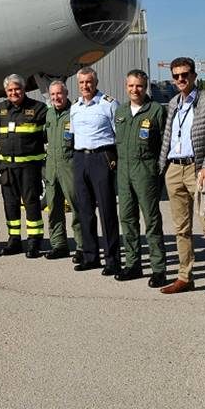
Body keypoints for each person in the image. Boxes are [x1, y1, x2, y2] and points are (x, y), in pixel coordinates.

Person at [157, 57, 205, 295]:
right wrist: (163, 167)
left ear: (194, 76)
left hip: (197, 169)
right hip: (174, 169)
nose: (180, 79)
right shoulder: (173, 102)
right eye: (176, 76)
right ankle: (185, 277)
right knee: (181, 228)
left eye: (184, 75)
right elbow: (168, 137)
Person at [114, 69, 168, 286]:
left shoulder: (155, 111)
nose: (134, 90)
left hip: (146, 171)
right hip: (124, 171)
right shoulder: (121, 111)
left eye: (139, 86)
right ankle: (133, 264)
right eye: (131, 86)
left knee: (151, 221)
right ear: (126, 86)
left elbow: (165, 144)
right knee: (127, 219)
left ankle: (158, 269)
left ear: (145, 87)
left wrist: (159, 172)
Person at [69, 67, 121, 275]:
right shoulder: (75, 107)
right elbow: (73, 134)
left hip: (102, 157)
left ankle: (112, 260)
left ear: (95, 82)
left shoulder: (109, 104)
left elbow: (119, 134)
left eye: (89, 82)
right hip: (81, 157)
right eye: (81, 83)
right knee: (85, 210)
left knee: (107, 210)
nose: (85, 86)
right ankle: (91, 256)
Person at [0, 74, 47, 257]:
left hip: (30, 168)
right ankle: (14, 240)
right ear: (6, 92)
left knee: (32, 203)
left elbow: (48, 132)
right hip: (7, 168)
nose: (14, 92)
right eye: (10, 90)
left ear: (23, 89)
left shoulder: (38, 109)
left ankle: (34, 241)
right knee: (10, 204)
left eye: (17, 89)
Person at [43, 80, 83, 261]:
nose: (56, 98)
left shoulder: (75, 112)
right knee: (54, 208)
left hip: (69, 166)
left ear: (66, 94)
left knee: (77, 207)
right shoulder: (49, 114)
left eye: (59, 94)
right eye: (52, 95)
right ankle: (58, 245)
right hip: (52, 166)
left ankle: (83, 246)